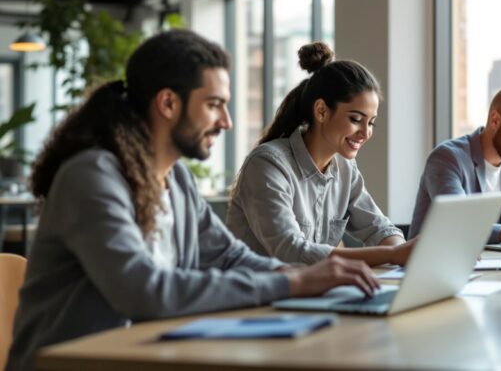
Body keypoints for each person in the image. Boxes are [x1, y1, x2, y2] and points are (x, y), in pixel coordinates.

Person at [7, 30, 379, 371]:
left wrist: (301, 275)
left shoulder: (178, 180)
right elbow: (144, 290)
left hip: (149, 356)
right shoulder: (92, 176)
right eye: (214, 104)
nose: (226, 121)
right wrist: (293, 284)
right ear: (168, 103)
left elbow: (228, 256)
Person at [227, 42, 412, 267]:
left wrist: (402, 251)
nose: (365, 133)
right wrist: (392, 255)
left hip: (311, 288)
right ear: (321, 111)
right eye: (355, 119)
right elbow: (292, 251)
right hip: (257, 288)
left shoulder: (345, 167)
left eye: (371, 122)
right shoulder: (267, 164)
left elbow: (379, 229)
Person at [408, 85, 501, 243]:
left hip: (491, 258)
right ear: (495, 120)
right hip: (436, 257)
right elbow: (458, 221)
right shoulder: (447, 158)